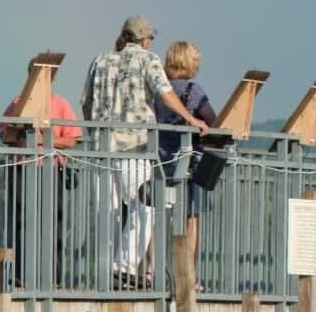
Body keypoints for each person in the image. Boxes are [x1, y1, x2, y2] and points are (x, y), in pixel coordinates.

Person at [84, 17, 199, 288]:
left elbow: (87, 104)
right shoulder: (148, 60)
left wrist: (94, 133)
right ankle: (123, 265)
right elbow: (165, 94)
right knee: (147, 205)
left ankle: (105, 273)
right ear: (145, 39)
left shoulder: (99, 61)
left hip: (101, 147)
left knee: (108, 212)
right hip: (133, 147)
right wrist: (190, 119)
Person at [156, 39, 219, 211]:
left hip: (158, 158)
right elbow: (213, 120)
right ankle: (189, 239)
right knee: (192, 213)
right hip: (188, 159)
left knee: (161, 210)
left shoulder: (159, 89)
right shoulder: (193, 89)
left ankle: (161, 239)